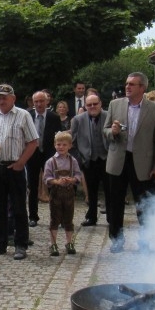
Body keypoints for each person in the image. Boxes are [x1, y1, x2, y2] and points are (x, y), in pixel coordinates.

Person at [104, 72, 155, 252]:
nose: (127, 87)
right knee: (115, 203)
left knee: (144, 204)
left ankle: (146, 241)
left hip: (143, 162)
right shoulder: (115, 104)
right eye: (126, 84)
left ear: (142, 88)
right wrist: (113, 132)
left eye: (132, 84)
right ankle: (116, 240)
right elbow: (105, 131)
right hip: (118, 160)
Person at [0, 84, 39, 260]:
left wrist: (21, 162)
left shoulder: (23, 115)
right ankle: (0, 243)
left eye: (4, 97)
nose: (1, 100)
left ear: (13, 98)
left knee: (19, 207)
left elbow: (33, 141)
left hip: (15, 166)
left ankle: (20, 244)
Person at [69, 93, 109, 227]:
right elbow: (72, 143)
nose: (92, 106)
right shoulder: (78, 120)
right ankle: (91, 217)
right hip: (88, 160)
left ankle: (111, 216)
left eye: (95, 104)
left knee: (110, 189)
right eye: (89, 104)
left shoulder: (109, 116)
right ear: (85, 106)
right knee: (91, 191)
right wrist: (80, 159)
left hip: (107, 159)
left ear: (100, 104)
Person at [43, 132, 84, 256]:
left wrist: (72, 180)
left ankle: (69, 242)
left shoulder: (73, 161)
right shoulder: (51, 161)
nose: (61, 147)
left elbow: (78, 175)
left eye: (64, 145)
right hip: (55, 194)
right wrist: (56, 181)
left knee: (68, 219)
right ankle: (53, 243)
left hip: (69, 194)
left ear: (70, 146)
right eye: (58, 144)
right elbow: (46, 178)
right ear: (55, 145)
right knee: (54, 219)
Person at [26, 90, 63, 227]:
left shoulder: (54, 117)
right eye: (36, 101)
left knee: (53, 185)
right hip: (32, 154)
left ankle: (57, 216)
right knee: (33, 185)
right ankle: (33, 216)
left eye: (41, 101)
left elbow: (59, 137)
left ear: (47, 102)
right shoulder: (28, 116)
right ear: (33, 103)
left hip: (49, 154)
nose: (39, 104)